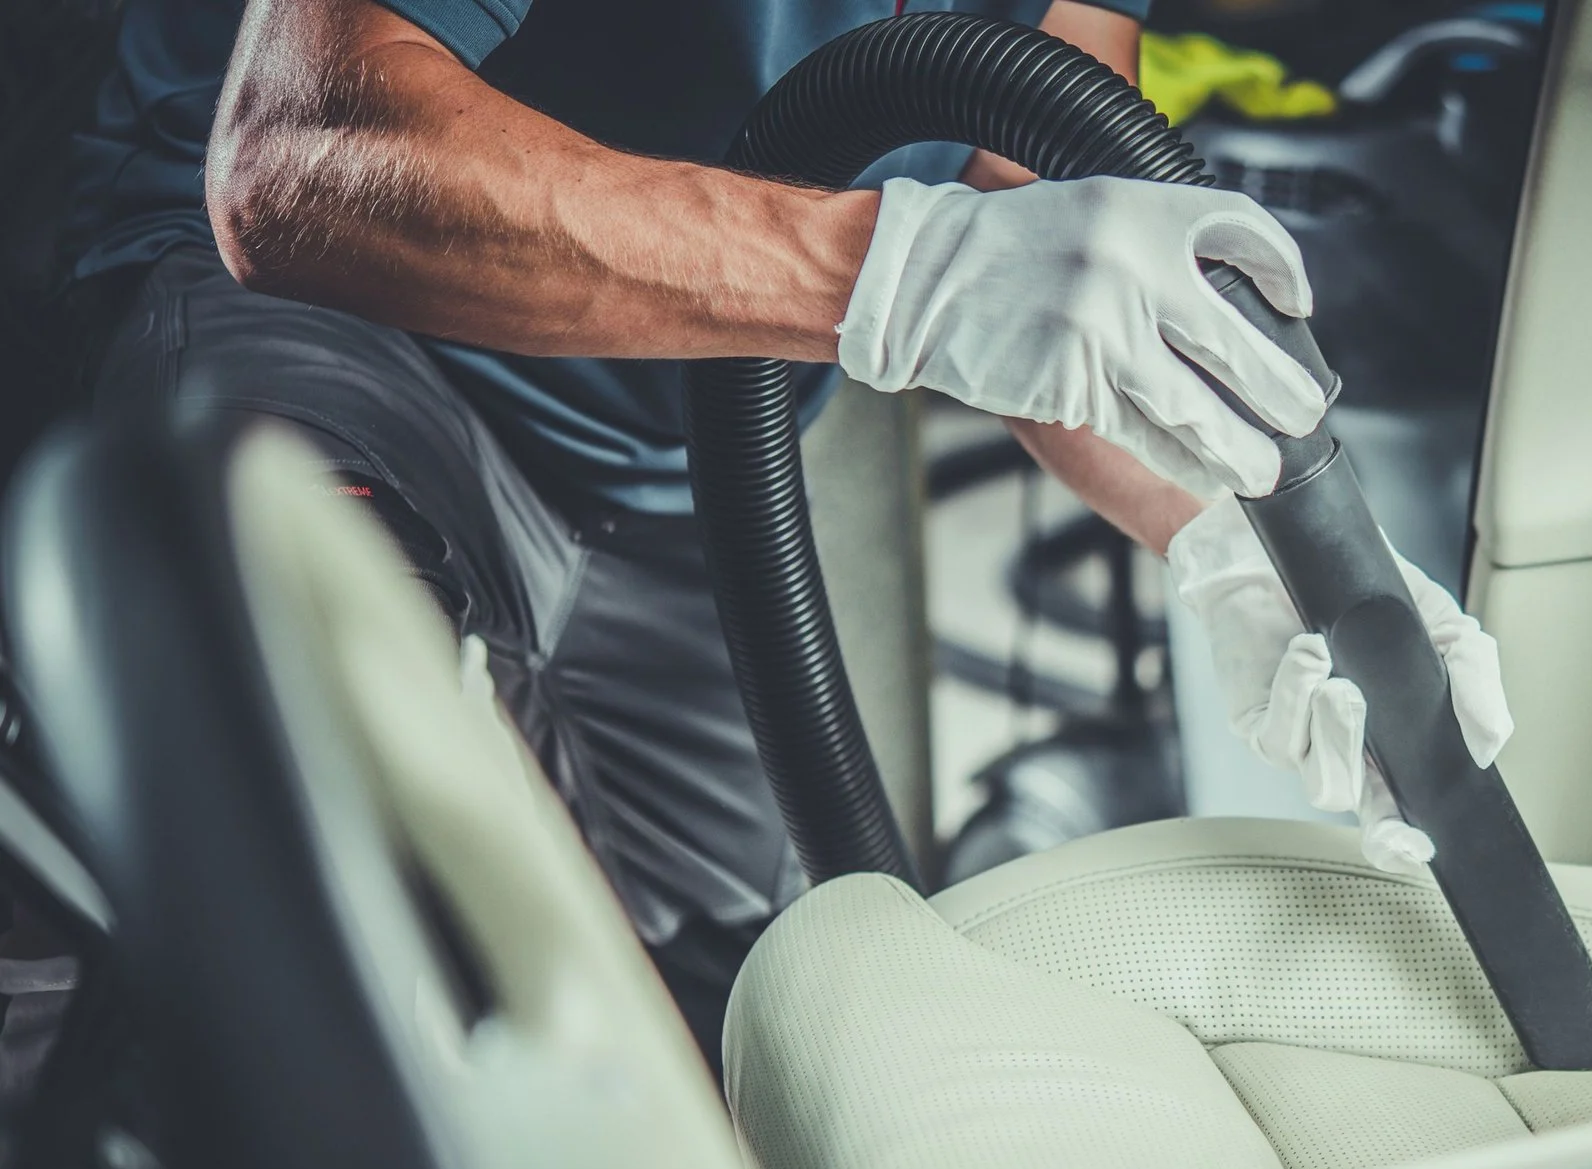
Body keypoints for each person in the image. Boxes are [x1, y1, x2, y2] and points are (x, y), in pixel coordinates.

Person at [58, 0, 1511, 1059]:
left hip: (669, 438)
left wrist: (1265, 558)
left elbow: (1062, 255)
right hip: (334, 324)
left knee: (782, 1022)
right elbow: (304, 152)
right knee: (311, 807)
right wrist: (901, 264)